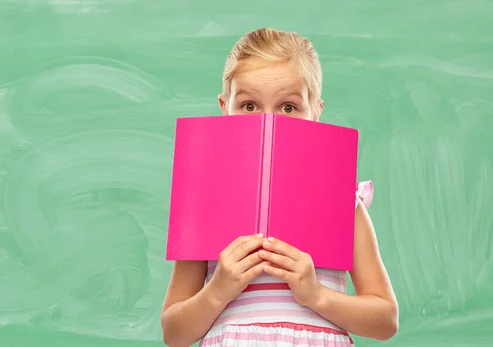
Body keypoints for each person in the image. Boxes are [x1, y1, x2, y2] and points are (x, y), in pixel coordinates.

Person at [160, 27, 398, 347]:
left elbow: (386, 321)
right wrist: (218, 289)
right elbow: (174, 334)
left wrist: (316, 294)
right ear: (224, 108)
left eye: (288, 107)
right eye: (248, 106)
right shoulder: (205, 201)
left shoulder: (342, 201)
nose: (268, 122)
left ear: (316, 110)